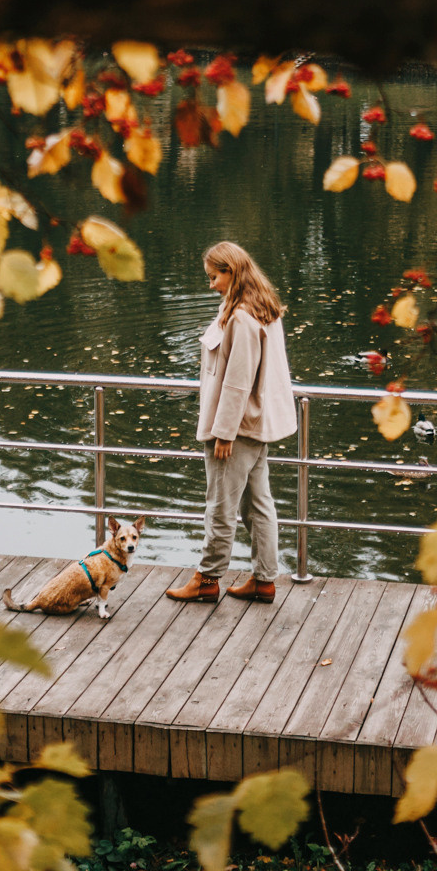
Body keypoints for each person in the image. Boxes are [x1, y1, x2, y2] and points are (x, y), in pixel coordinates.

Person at [166, 241, 297, 604]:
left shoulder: (241, 317)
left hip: (236, 429)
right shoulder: (263, 309)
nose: (211, 285)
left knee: (220, 506)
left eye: (214, 277)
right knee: (258, 504)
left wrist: (224, 433)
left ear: (232, 271)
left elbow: (238, 381)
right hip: (255, 425)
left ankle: (207, 579)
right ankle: (264, 580)